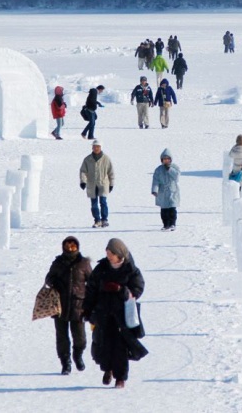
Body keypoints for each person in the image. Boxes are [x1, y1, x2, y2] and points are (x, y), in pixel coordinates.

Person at [83, 238, 146, 389]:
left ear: (119, 254)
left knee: (120, 347)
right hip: (103, 313)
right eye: (107, 253)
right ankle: (107, 369)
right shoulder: (101, 268)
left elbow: (138, 288)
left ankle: (120, 378)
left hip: (122, 316)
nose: (108, 256)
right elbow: (90, 290)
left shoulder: (130, 269)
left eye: (111, 253)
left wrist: (122, 290)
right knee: (103, 345)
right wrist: (87, 309)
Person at [44, 236, 93, 374]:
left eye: (73, 246)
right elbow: (48, 278)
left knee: (80, 337)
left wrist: (89, 298)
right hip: (59, 305)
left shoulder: (84, 263)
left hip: (78, 305)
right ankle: (65, 362)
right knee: (62, 337)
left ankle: (78, 355)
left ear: (77, 247)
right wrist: (54, 282)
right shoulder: (58, 262)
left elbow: (92, 281)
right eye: (67, 246)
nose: (70, 248)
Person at [80, 139, 114, 228]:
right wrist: (83, 181)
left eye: (97, 147)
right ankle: (97, 220)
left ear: (101, 148)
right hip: (91, 184)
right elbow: (83, 171)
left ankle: (104, 219)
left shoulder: (106, 159)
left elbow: (111, 172)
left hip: (103, 183)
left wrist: (111, 184)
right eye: (94, 147)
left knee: (103, 202)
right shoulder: (87, 159)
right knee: (94, 204)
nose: (96, 148)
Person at [151, 148, 180, 230]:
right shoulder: (158, 170)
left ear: (170, 159)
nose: (166, 161)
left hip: (172, 191)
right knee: (164, 211)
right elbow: (155, 181)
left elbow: (177, 177)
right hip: (162, 192)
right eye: (164, 159)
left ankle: (173, 224)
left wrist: (169, 169)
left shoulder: (175, 167)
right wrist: (154, 190)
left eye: (168, 159)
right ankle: (165, 225)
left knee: (172, 209)